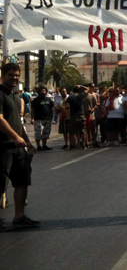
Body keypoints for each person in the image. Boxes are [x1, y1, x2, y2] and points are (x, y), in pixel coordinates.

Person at [0, 63, 40, 231]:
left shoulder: (17, 97)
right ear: (3, 75)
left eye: (17, 75)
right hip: (3, 146)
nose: (14, 78)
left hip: (18, 146)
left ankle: (19, 217)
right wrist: (15, 137)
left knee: (22, 181)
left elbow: (18, 121)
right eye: (11, 75)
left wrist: (27, 140)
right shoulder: (0, 94)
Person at [30, 86, 54, 151]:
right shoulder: (35, 100)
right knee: (38, 133)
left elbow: (51, 109)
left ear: (46, 92)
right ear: (38, 92)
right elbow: (32, 109)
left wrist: (51, 118)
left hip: (47, 119)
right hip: (38, 119)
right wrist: (32, 118)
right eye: (41, 91)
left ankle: (44, 145)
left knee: (46, 133)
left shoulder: (49, 100)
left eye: (44, 91)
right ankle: (38, 146)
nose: (43, 92)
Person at [65, 85, 88, 150]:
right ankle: (83, 144)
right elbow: (87, 89)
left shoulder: (70, 96)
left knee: (72, 132)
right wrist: (81, 86)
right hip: (81, 115)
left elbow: (67, 106)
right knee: (83, 131)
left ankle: (72, 145)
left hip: (73, 115)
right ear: (80, 90)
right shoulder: (81, 95)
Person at [84, 83, 99, 148]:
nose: (93, 88)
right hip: (84, 114)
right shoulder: (82, 96)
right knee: (86, 129)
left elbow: (96, 104)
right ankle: (87, 141)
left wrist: (93, 109)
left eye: (93, 86)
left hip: (92, 114)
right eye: (91, 86)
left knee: (93, 128)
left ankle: (94, 141)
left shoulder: (94, 95)